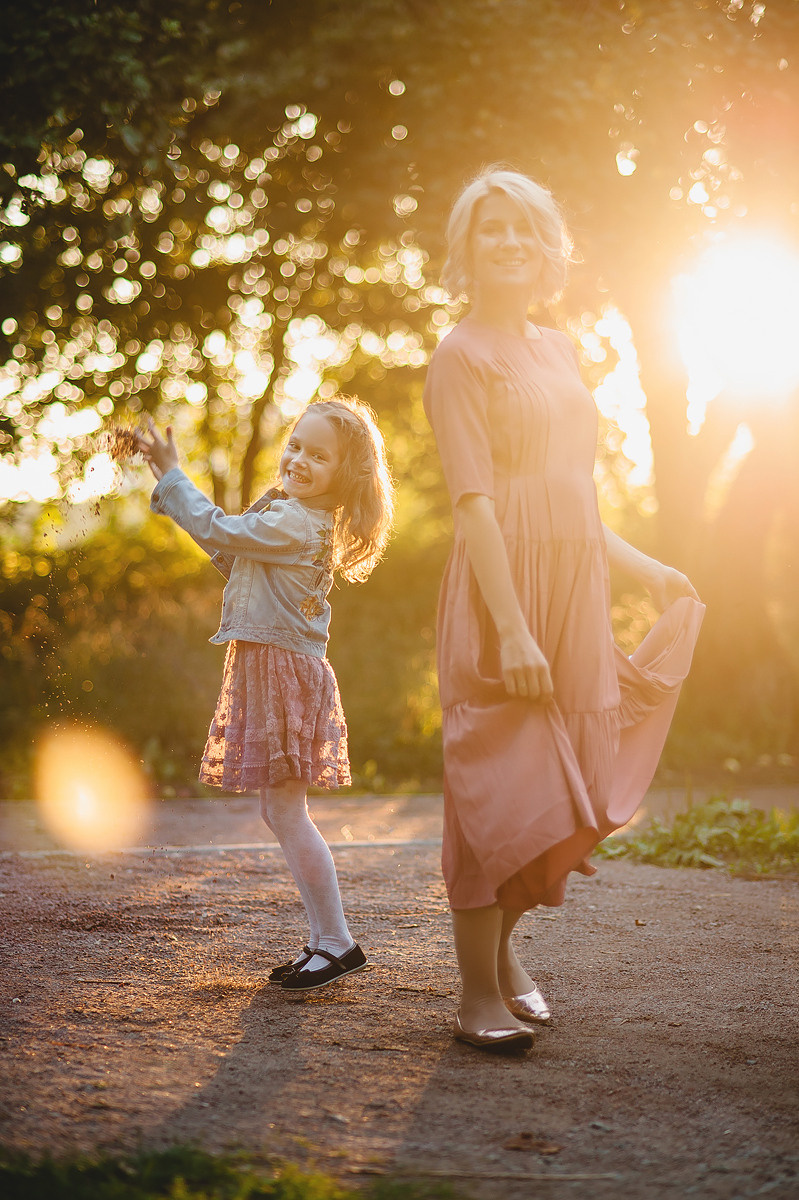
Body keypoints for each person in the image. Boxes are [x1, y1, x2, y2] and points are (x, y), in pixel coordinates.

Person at [423, 168, 704, 1051]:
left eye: (524, 229)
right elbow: (476, 505)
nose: (508, 242)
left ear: (547, 247)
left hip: (575, 592)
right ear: (465, 248)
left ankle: (505, 962)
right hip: (502, 589)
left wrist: (646, 566)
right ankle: (475, 996)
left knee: (562, 789)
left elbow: (571, 496)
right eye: (490, 229)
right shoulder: (457, 356)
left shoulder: (559, 348)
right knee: (495, 789)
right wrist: (509, 630)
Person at [137, 397, 394, 991]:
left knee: (285, 811)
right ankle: (325, 940)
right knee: (278, 810)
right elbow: (231, 554)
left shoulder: (297, 522)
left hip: (283, 673)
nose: (299, 459)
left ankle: (336, 943)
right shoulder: (291, 518)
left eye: (318, 455)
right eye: (296, 445)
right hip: (273, 668)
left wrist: (174, 478)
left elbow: (220, 529)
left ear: (344, 474)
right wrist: (173, 488)